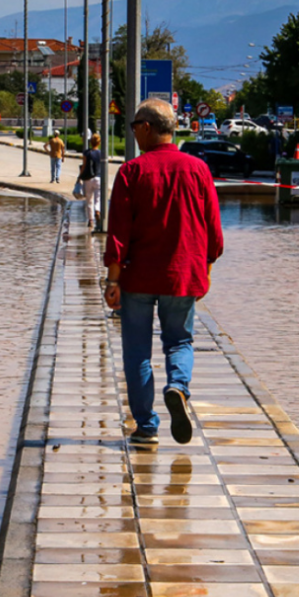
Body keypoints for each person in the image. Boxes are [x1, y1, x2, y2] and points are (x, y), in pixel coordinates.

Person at [103, 99, 224, 445]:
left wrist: (113, 281)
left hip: (137, 278)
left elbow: (119, 234)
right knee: (180, 341)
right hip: (181, 276)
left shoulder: (131, 172)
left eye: (134, 127)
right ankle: (177, 387)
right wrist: (208, 269)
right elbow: (213, 231)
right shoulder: (198, 169)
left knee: (137, 351)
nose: (133, 133)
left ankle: (147, 427)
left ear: (146, 127)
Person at [79, 133, 103, 228]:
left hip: (88, 178)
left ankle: (91, 220)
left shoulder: (86, 153)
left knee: (89, 200)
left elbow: (84, 166)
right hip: (98, 178)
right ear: (99, 142)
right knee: (98, 198)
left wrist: (79, 177)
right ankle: (97, 211)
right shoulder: (101, 153)